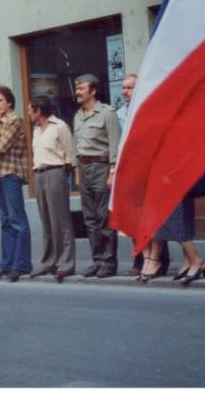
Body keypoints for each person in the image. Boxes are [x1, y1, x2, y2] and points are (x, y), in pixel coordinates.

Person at [117, 73, 170, 276]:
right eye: (123, 88)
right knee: (135, 216)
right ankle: (141, 260)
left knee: (152, 215)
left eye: (129, 87)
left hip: (150, 168)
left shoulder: (150, 108)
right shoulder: (120, 113)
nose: (125, 91)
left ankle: (159, 260)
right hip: (130, 169)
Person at [72, 74, 120, 278]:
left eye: (81, 88)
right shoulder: (78, 115)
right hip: (84, 169)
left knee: (104, 217)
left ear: (93, 91)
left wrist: (112, 173)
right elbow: (76, 146)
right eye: (77, 88)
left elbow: (114, 144)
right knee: (90, 219)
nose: (77, 92)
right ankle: (97, 260)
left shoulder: (107, 113)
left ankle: (109, 262)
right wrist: (76, 171)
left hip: (102, 168)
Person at [0, 86, 33, 282]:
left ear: (9, 102)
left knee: (17, 220)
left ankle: (21, 264)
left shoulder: (14, 121)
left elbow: (0, 146)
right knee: (5, 221)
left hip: (11, 173)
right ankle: (7, 264)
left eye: (0, 100)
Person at [27, 96, 76, 282]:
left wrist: (67, 176)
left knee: (61, 220)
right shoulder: (36, 129)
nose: (28, 113)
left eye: (30, 110)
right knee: (46, 220)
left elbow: (70, 153)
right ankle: (49, 262)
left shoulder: (59, 126)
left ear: (38, 111)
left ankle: (66, 264)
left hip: (55, 172)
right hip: (39, 174)